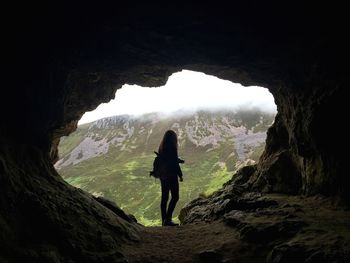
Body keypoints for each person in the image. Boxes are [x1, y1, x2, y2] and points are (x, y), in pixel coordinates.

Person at [157, 130, 183, 226]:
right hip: (171, 175)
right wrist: (180, 175)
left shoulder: (162, 147)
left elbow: (167, 159)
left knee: (164, 198)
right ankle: (168, 219)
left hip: (163, 175)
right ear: (173, 138)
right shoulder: (172, 147)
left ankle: (164, 220)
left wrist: (178, 160)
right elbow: (174, 163)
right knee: (175, 197)